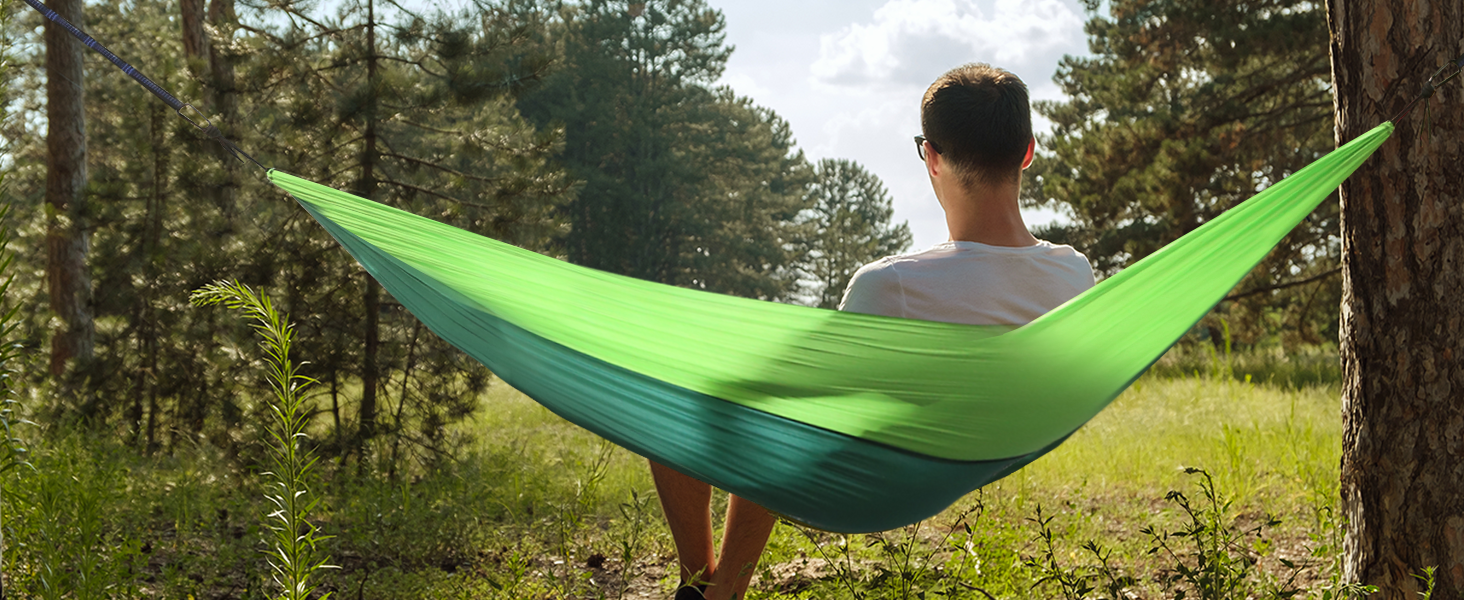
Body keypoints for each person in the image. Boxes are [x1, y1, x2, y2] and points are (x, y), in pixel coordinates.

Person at [649, 62, 1095, 600]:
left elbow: (788, 402)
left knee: (669, 393)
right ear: (1027, 150)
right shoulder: (1076, 275)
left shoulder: (894, 285)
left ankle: (708, 587)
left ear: (931, 156)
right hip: (987, 452)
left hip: (878, 486)